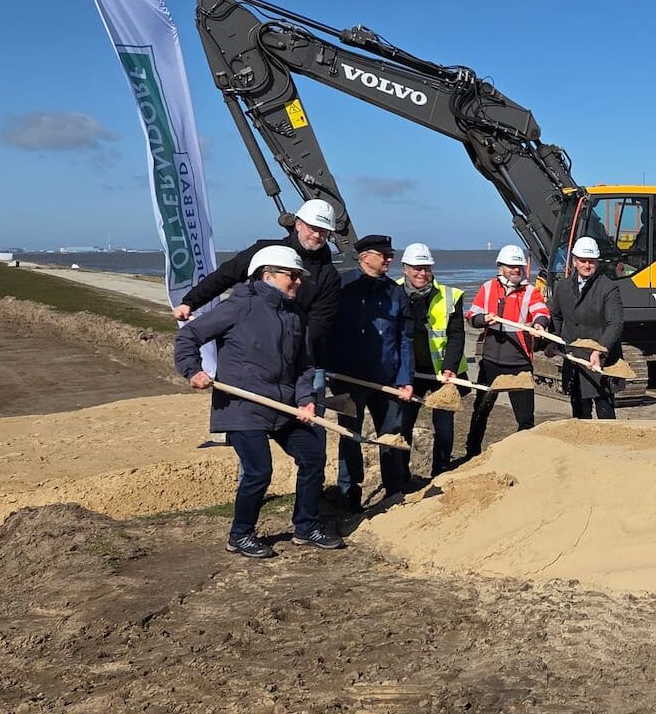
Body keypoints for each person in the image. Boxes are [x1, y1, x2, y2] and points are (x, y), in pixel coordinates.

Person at [173, 245, 344, 558]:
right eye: (293, 276)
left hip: (284, 406)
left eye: (300, 276)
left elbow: (305, 365)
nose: (298, 282)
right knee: (258, 471)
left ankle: (305, 528)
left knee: (313, 457)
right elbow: (189, 337)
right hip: (242, 405)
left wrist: (306, 400)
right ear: (268, 275)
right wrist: (193, 371)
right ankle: (240, 534)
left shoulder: (295, 315)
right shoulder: (239, 306)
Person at [174, 199, 342, 368]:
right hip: (252, 352)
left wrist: (283, 351)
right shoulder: (265, 252)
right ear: (298, 224)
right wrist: (190, 302)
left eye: (324, 231)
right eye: (313, 228)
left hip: (299, 357)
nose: (317, 235)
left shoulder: (329, 276)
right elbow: (226, 274)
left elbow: (318, 325)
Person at [330, 234, 414, 510]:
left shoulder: (395, 291)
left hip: (387, 379)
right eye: (384, 254)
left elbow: (404, 336)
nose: (390, 259)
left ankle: (394, 491)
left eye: (391, 254)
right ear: (365, 256)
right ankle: (349, 493)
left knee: (391, 435)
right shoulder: (342, 285)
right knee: (350, 437)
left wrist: (405, 379)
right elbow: (325, 328)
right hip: (348, 379)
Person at [465, 244, 551, 454]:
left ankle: (525, 454)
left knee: (525, 416)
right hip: (492, 360)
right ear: (501, 267)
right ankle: (472, 451)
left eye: (519, 267)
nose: (515, 270)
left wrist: (539, 324)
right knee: (481, 410)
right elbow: (472, 316)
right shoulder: (487, 288)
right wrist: (482, 319)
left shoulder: (530, 291)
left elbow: (541, 311)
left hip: (519, 361)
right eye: (511, 266)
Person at [396, 242, 468, 475]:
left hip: (441, 373)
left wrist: (450, 368)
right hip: (408, 373)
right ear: (405, 268)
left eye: (426, 268)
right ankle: (401, 474)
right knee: (404, 424)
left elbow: (456, 336)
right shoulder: (392, 291)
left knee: (444, 427)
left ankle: (441, 470)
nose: (421, 273)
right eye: (416, 268)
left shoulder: (450, 296)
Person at [549, 236, 624, 419]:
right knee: (580, 416)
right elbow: (556, 316)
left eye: (591, 261)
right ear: (574, 261)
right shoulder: (563, 287)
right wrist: (553, 340)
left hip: (600, 362)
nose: (587, 265)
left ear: (597, 263)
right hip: (575, 360)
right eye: (583, 261)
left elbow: (615, 323)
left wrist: (599, 350)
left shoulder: (608, 287)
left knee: (605, 415)